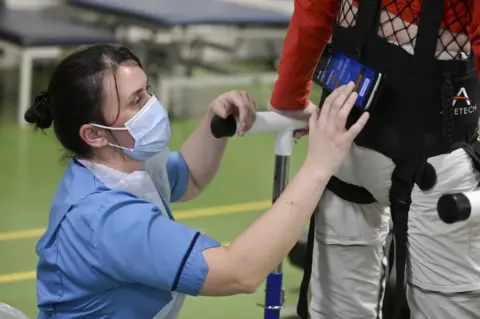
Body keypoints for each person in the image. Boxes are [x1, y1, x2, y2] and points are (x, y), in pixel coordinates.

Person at [25, 44, 369, 319]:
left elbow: (187, 176)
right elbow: (239, 271)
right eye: (136, 101)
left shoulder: (121, 166)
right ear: (95, 134)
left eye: (147, 91)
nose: (153, 106)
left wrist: (212, 124)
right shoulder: (104, 220)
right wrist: (318, 166)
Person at [269, 0, 480, 319]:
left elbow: (313, 11)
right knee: (445, 306)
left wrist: (290, 97)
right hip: (431, 163)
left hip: (343, 143)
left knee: (339, 311)